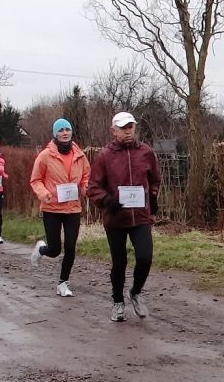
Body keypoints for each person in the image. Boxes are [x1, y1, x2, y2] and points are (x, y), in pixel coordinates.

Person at [88, 111, 161, 322]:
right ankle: (118, 302)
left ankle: (135, 292)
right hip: (116, 218)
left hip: (140, 216)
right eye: (123, 128)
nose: (128, 131)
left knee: (145, 258)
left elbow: (155, 179)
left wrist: (153, 197)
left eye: (130, 127)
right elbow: (93, 187)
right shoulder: (104, 156)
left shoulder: (146, 152)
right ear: (113, 131)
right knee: (119, 263)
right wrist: (107, 201)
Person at [29, 118, 90, 297]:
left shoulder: (80, 155)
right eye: (61, 130)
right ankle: (41, 249)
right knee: (55, 250)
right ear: (55, 134)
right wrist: (43, 193)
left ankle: (63, 283)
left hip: (73, 208)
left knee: (70, 246)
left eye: (67, 129)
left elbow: (86, 176)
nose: (64, 133)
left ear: (71, 132)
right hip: (52, 208)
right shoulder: (45, 155)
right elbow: (35, 180)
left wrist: (85, 188)